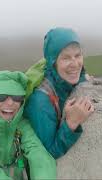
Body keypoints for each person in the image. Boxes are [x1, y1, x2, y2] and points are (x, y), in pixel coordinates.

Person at [0, 70, 56, 179]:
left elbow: (38, 154)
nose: (10, 103)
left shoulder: (20, 123)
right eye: (0, 97)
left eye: (16, 97)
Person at [24, 27, 94, 159]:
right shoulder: (40, 103)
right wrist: (71, 123)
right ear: (53, 62)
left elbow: (79, 72)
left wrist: (84, 79)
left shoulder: (63, 78)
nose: (75, 63)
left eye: (78, 55)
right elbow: (48, 153)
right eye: (66, 58)